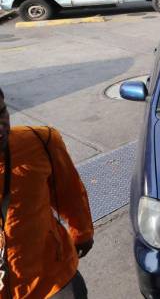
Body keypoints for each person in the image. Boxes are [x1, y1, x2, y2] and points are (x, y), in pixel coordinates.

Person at [0, 87, 94, 298]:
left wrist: (83, 232)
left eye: (2, 112)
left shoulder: (40, 142)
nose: (1, 127)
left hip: (52, 281)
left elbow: (70, 193)